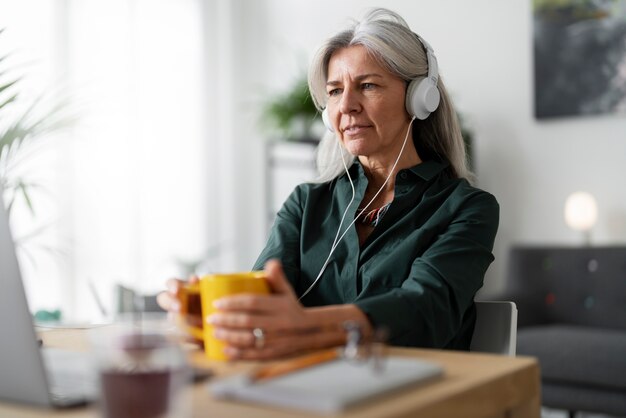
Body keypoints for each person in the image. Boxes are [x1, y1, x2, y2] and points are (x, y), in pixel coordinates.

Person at [158, 7, 499, 360]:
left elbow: (426, 308)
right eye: (335, 91)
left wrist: (307, 327)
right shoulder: (306, 203)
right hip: (309, 392)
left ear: (419, 97)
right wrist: (218, 315)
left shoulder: (468, 208)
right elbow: (267, 291)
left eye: (367, 85)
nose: (347, 105)